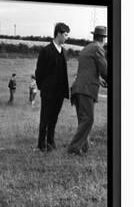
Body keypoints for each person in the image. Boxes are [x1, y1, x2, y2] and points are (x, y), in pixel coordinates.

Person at [68, 26, 108, 155]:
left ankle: (84, 147)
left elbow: (87, 70)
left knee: (83, 119)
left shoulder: (86, 48)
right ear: (103, 38)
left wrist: (98, 79)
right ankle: (74, 149)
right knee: (88, 119)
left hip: (77, 87)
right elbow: (105, 70)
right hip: (86, 89)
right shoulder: (98, 48)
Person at [35, 22, 70, 151]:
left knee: (54, 118)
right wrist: (43, 88)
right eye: (65, 35)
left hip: (59, 93)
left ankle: (50, 143)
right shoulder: (46, 51)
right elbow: (39, 72)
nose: (67, 37)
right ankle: (41, 145)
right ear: (59, 34)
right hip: (48, 92)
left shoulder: (64, 52)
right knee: (45, 118)